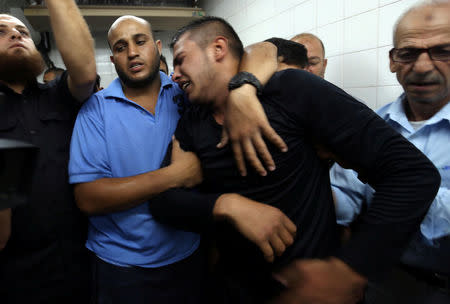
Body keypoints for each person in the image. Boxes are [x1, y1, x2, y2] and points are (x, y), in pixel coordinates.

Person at [146, 17, 440, 304]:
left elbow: (411, 174)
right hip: (237, 289)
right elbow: (162, 201)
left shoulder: (291, 90)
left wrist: (349, 270)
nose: (174, 74)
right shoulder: (193, 121)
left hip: (313, 290)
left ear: (218, 49)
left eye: (182, 59)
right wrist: (226, 205)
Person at [68, 15, 286, 304]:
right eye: (121, 47)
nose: (132, 51)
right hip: (120, 268)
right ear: (112, 58)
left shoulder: (187, 94)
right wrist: (176, 175)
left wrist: (243, 90)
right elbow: (88, 198)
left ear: (157, 47)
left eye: (140, 41)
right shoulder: (95, 110)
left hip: (190, 254)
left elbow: (265, 50)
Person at [330, 1, 450, 303]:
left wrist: (396, 184)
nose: (422, 66)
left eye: (443, 50)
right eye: (408, 53)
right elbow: (344, 201)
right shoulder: (371, 127)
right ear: (393, 61)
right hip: (384, 283)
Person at [0, 0, 96, 303]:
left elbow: (84, 73)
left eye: (22, 31)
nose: (16, 35)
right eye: (1, 31)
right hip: (14, 276)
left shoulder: (58, 95)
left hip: (82, 263)